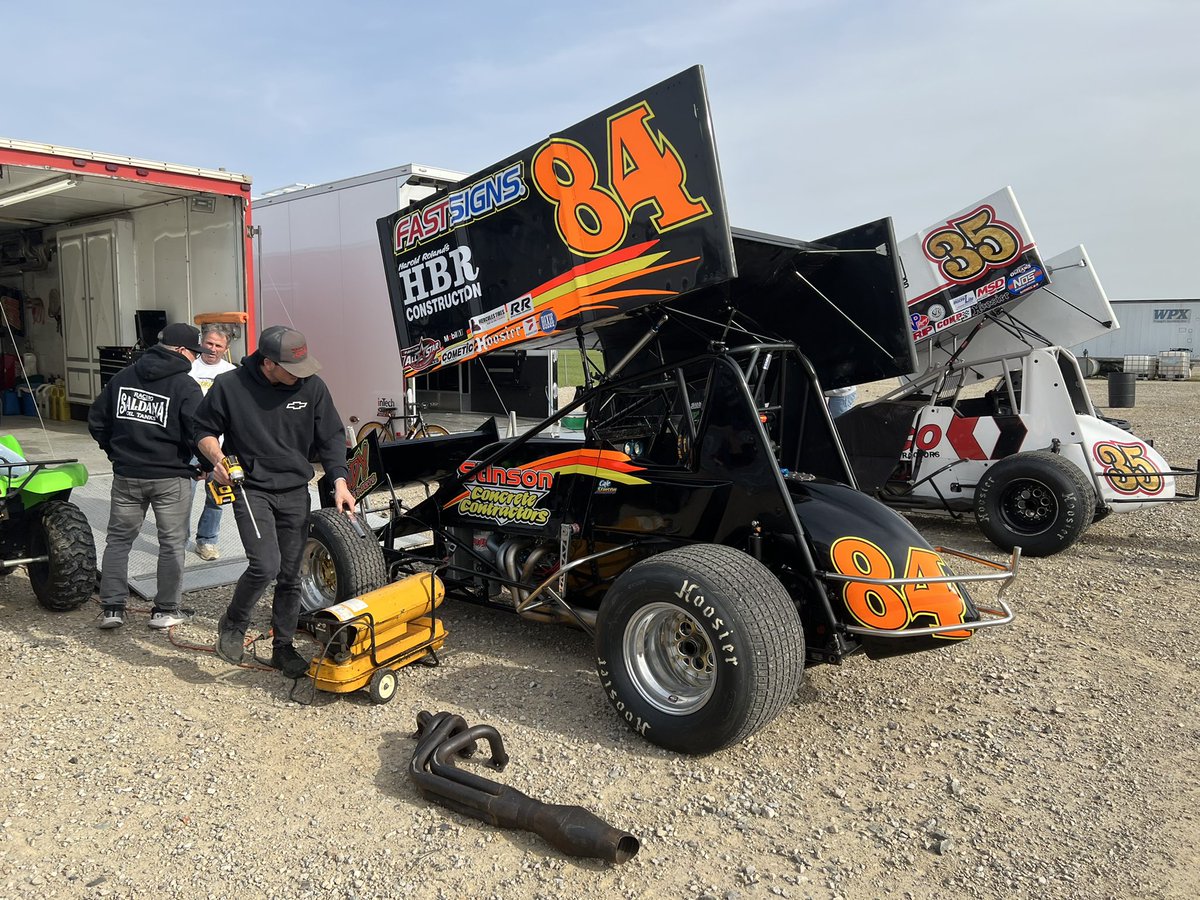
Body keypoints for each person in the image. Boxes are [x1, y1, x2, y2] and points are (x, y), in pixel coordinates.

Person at [195, 325, 356, 678]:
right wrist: (217, 459)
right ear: (268, 364)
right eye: (291, 369)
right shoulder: (231, 386)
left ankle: (283, 646)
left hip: (296, 489)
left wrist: (340, 483)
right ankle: (233, 624)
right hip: (252, 489)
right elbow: (202, 429)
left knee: (290, 574)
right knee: (265, 565)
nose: (301, 375)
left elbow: (331, 437)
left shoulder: (311, 386)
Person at [88, 323, 205, 630]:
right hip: (171, 478)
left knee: (118, 541)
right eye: (195, 352)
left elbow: (97, 421)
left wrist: (116, 453)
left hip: (127, 475)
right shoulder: (185, 385)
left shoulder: (123, 377)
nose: (196, 358)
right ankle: (165, 610)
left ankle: (112, 608)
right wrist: (206, 464)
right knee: (171, 544)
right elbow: (198, 432)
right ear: (181, 351)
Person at [189, 323, 238, 560]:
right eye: (209, 343)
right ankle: (175, 541)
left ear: (226, 347)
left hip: (219, 446)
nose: (212, 349)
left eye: (219, 345)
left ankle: (207, 541)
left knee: (217, 495)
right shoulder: (187, 368)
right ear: (201, 342)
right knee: (182, 496)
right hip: (188, 444)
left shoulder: (232, 373)